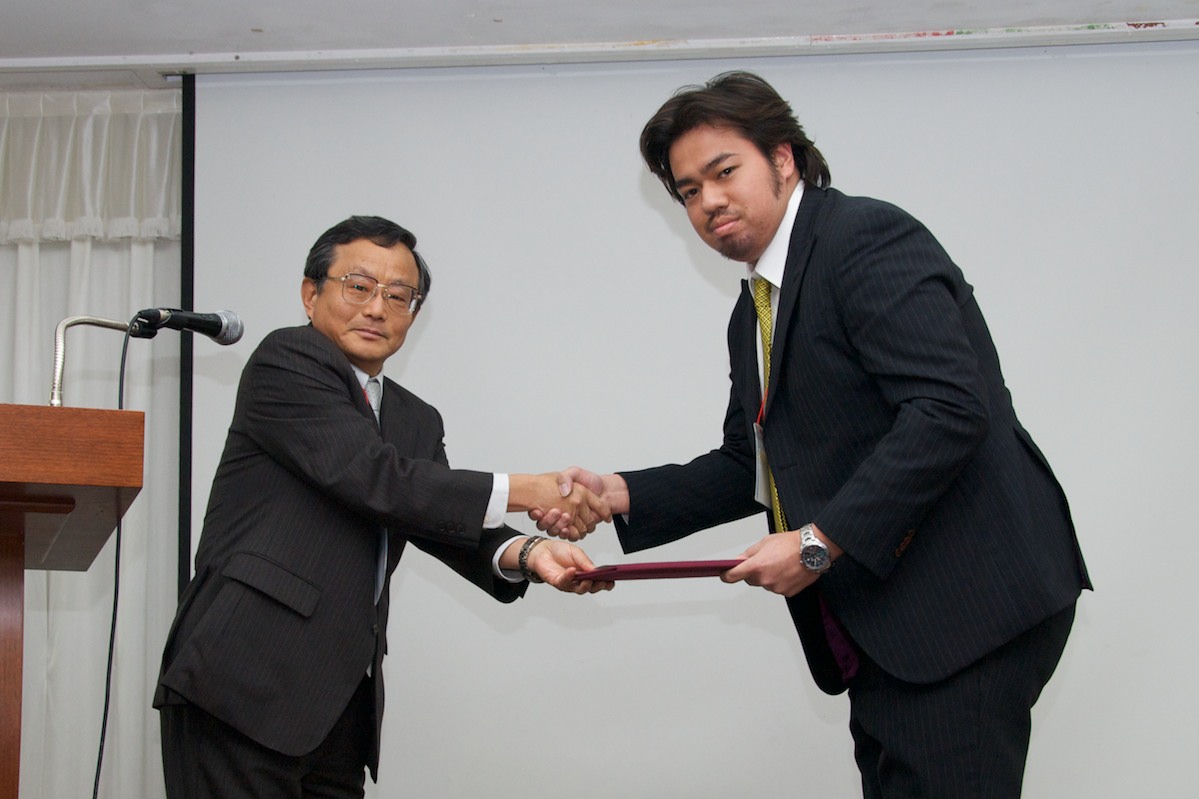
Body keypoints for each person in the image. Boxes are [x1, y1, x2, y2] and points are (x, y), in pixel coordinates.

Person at [539, 72, 1090, 797]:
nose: (708, 202)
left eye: (723, 172)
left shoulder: (862, 237)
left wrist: (817, 542)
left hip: (965, 610)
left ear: (784, 157)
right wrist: (617, 495)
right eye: (688, 191)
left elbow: (948, 408)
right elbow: (751, 462)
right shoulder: (754, 309)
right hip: (890, 622)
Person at [154, 215, 613, 799]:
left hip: (339, 703)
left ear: (414, 314)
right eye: (359, 287)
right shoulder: (286, 361)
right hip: (243, 679)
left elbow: (434, 515)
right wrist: (530, 489)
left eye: (398, 296)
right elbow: (376, 477)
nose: (377, 308)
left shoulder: (416, 418)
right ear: (310, 294)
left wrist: (531, 552)